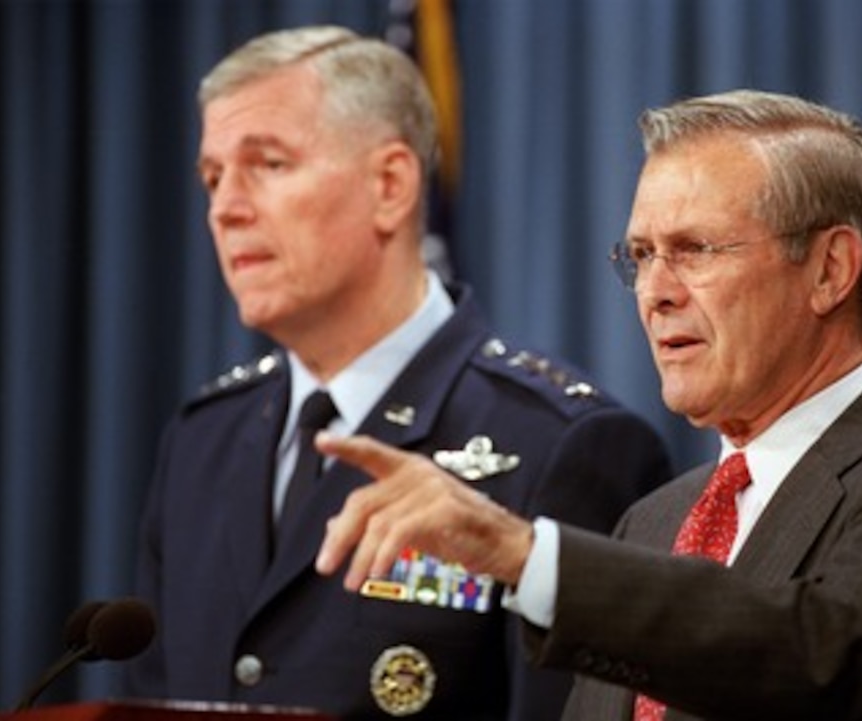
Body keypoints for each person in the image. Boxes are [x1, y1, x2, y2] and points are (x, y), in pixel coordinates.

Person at [314, 89, 862, 721]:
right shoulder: (653, 520)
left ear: (829, 269)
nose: (654, 290)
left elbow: (835, 658)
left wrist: (523, 553)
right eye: (641, 255)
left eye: (694, 249)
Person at [122, 25, 673, 721]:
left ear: (390, 185)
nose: (224, 207)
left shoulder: (560, 441)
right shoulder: (202, 437)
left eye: (267, 165)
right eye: (212, 176)